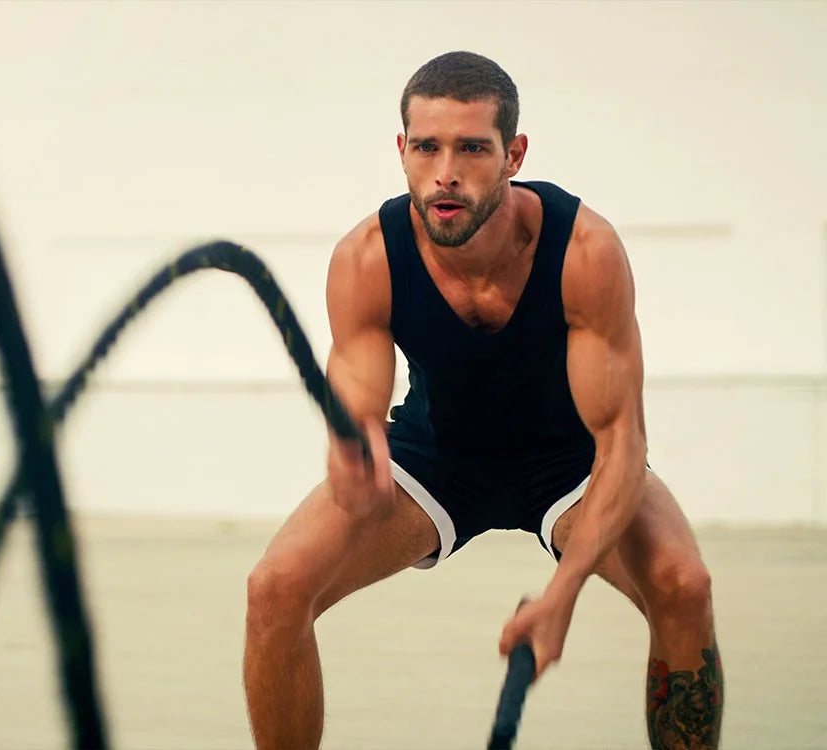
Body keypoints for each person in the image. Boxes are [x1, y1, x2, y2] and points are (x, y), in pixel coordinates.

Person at [242, 51, 723, 750]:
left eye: (472, 148)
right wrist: (355, 446)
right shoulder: (366, 257)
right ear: (401, 151)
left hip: (570, 461)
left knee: (685, 586)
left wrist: (562, 598)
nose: (446, 172)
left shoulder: (584, 250)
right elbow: (358, 406)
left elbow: (622, 440)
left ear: (513, 155)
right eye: (427, 147)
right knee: (274, 589)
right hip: (436, 458)